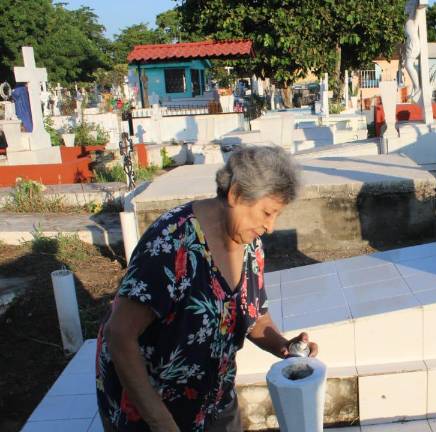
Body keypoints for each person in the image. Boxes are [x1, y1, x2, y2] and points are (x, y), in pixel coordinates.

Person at [96, 146, 318, 431]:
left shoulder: (251, 245)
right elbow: (119, 333)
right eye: (267, 212)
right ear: (236, 194)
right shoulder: (171, 242)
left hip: (214, 400)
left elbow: (254, 316)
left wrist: (285, 347)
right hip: (151, 409)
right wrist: (160, 422)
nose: (270, 227)